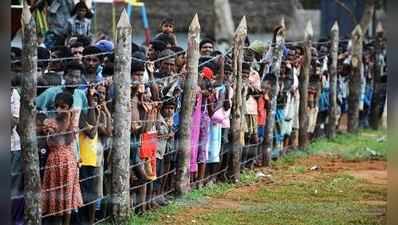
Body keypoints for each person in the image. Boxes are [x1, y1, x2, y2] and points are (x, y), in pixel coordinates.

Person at [41, 91, 83, 225]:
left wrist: (70, 118)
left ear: (69, 108)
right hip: (53, 162)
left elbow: (67, 139)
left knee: (67, 197)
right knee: (56, 198)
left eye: (63, 107)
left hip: (67, 162)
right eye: (56, 106)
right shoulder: (50, 122)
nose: (59, 110)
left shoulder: (72, 123)